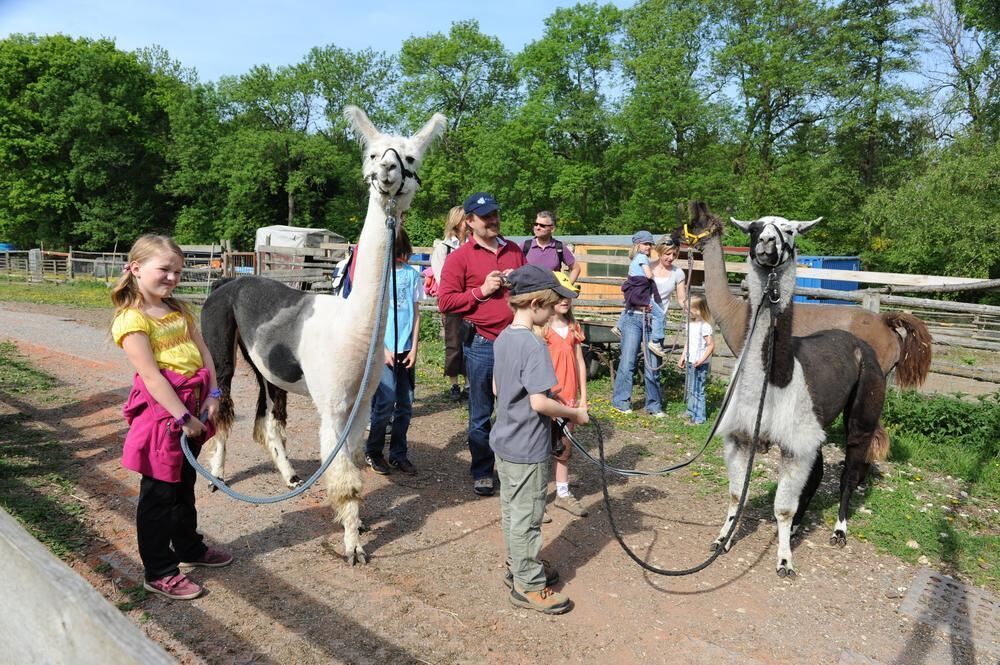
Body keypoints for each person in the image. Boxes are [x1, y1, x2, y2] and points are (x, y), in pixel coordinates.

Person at [111, 234, 232, 601]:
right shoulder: (131, 320)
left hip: (191, 409)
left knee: (183, 488)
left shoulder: (177, 310)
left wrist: (213, 393)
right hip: (163, 417)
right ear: (135, 268)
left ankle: (189, 548)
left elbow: (204, 352)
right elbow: (151, 376)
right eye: (164, 269)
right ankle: (159, 571)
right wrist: (183, 419)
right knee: (158, 495)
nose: (172, 278)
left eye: (177, 271)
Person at [492, 264, 588, 614]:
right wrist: (573, 413)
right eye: (550, 306)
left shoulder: (504, 337)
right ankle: (528, 585)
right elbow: (537, 402)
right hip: (527, 448)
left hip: (504, 440)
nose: (551, 314)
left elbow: (498, 388)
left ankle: (518, 566)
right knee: (529, 516)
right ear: (535, 303)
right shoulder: (534, 345)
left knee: (512, 511)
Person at [438, 192, 526, 496]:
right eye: (486, 216)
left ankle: (511, 468)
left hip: (516, 341)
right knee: (481, 412)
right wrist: (482, 290)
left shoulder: (514, 250)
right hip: (482, 343)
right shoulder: (459, 257)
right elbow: (446, 301)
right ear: (470, 222)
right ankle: (482, 470)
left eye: (495, 214)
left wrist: (521, 280)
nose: (493, 220)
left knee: (515, 409)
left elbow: (533, 288)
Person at [365, 229, 424, 475]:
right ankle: (374, 451)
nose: (400, 257)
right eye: (395, 252)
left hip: (405, 350)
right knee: (385, 403)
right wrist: (383, 348)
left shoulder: (412, 275)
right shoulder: (378, 278)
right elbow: (372, 317)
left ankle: (399, 453)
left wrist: (415, 348)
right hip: (383, 351)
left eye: (402, 252)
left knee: (406, 405)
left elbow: (416, 313)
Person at [542, 272, 589, 517]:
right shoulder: (542, 328)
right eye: (560, 295)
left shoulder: (573, 326)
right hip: (548, 397)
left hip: (569, 396)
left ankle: (562, 493)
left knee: (564, 447)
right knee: (540, 447)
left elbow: (580, 362)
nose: (564, 300)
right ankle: (537, 500)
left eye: (568, 296)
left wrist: (583, 397)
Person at [611, 230, 664, 416]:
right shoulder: (642, 261)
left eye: (650, 244)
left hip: (649, 317)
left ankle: (654, 405)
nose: (648, 247)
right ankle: (621, 401)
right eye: (645, 244)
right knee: (628, 361)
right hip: (634, 317)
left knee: (652, 364)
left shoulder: (673, 271)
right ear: (638, 245)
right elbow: (642, 284)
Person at [430, 206, 468, 401]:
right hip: (453, 301)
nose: (468, 223)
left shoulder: (472, 245)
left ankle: (469, 382)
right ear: (457, 222)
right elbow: (440, 277)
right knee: (453, 342)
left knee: (470, 341)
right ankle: (454, 383)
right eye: (464, 219)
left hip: (471, 300)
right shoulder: (444, 247)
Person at [647, 236, 688, 359]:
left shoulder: (678, 273)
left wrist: (691, 310)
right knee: (630, 360)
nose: (671, 258)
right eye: (668, 254)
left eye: (674, 255)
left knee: (654, 363)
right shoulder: (647, 267)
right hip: (640, 316)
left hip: (658, 323)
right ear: (660, 251)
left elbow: (681, 299)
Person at [677, 295, 715, 425]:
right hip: (690, 361)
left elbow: (711, 345)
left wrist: (701, 359)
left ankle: (699, 418)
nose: (686, 311)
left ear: (698, 310)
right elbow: (688, 343)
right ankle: (691, 411)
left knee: (698, 390)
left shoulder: (705, 326)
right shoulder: (690, 325)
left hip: (699, 364)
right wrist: (683, 357)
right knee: (691, 388)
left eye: (688, 309)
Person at [521, 211, 580, 283]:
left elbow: (576, 269)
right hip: (528, 292)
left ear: (552, 229)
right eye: (536, 224)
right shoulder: (525, 246)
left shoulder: (559, 247)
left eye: (542, 225)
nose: (537, 227)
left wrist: (567, 287)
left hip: (552, 293)